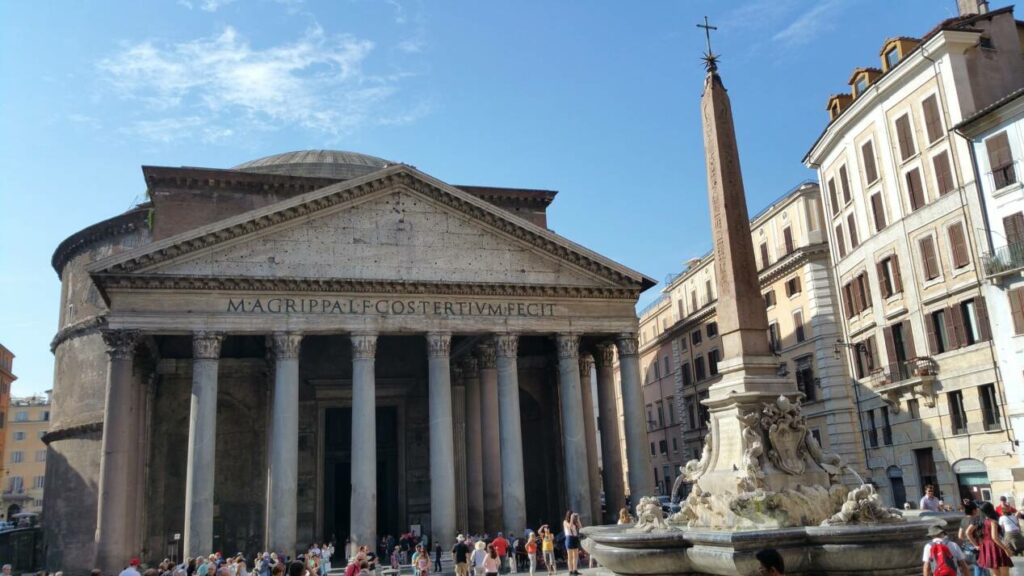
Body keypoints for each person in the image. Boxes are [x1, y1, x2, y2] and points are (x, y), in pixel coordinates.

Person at [978, 501, 1014, 576]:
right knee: (1005, 574)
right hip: (996, 547)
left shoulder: (982, 522)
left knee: (996, 574)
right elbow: (994, 537)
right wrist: (1006, 549)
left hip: (987, 547)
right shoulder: (993, 522)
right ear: (991, 509)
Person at [563, 512, 582, 576]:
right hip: (569, 538)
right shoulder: (565, 522)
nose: (573, 517)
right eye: (571, 515)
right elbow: (570, 527)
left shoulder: (574, 522)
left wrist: (578, 519)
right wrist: (571, 518)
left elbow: (581, 527)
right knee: (570, 556)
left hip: (575, 538)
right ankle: (570, 571)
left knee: (576, 556)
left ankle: (575, 570)